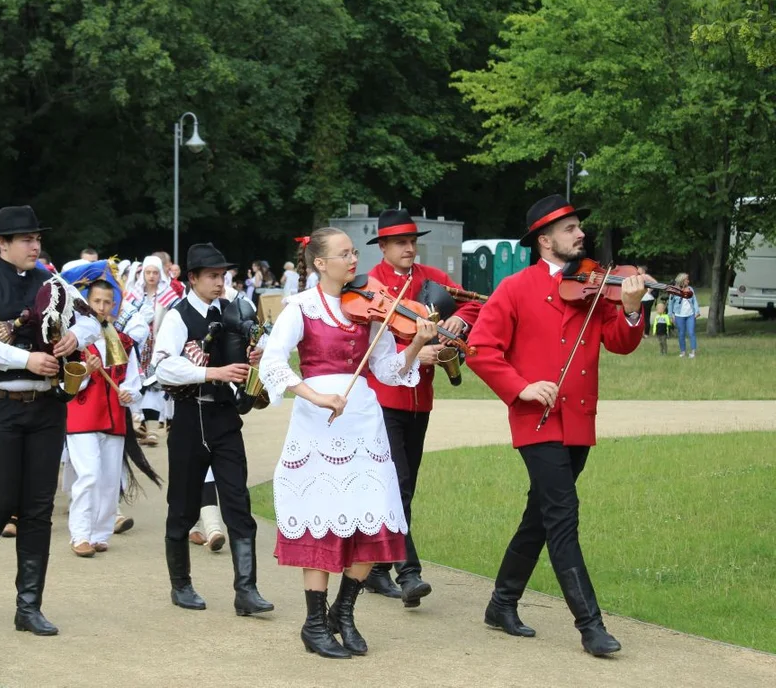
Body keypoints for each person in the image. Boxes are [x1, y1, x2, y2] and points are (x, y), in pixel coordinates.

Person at [466, 195, 646, 657]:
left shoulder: (596, 286)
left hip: (579, 421)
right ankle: (591, 626)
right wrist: (521, 387)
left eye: (578, 227)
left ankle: (501, 602)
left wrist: (629, 308)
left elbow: (620, 343)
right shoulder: (514, 288)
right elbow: (482, 350)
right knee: (563, 516)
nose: (579, 234)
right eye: (569, 229)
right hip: (537, 420)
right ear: (544, 241)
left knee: (540, 517)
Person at [259, 227, 433, 658]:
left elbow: (390, 370)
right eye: (344, 254)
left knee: (374, 517)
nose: (353, 260)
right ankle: (314, 624)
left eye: (354, 252)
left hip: (363, 422)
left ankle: (344, 612)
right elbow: (273, 362)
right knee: (322, 517)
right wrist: (315, 396)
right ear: (320, 263)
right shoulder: (299, 307)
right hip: (318, 424)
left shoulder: (372, 309)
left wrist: (417, 346)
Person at [0, 205, 101, 636]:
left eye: (37, 238)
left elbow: (91, 321)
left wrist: (77, 335)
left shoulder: (51, 283)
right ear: (2, 244)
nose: (35, 245)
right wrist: (24, 360)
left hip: (44, 408)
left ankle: (28, 605)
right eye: (26, 239)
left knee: (38, 509)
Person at [361, 208, 482, 606]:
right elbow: (372, 349)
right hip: (384, 398)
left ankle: (377, 568)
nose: (409, 248)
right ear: (382, 246)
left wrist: (460, 323)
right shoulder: (371, 286)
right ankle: (408, 572)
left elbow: (471, 304)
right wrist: (415, 352)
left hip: (421, 398)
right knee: (397, 484)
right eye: (400, 242)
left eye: (412, 241)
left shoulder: (431, 278)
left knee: (405, 486)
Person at [153, 243, 273, 615]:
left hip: (223, 418)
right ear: (193, 278)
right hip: (189, 418)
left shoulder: (234, 311)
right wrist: (212, 372)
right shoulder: (177, 317)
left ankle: (246, 590)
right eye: (212, 276)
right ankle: (181, 584)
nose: (220, 283)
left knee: (238, 503)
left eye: (223, 276)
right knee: (183, 507)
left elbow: (252, 353)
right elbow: (162, 367)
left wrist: (255, 355)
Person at [65, 280, 141, 557]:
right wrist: (86, 370)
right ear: (87, 302)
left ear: (114, 306)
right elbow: (65, 385)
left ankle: (99, 533)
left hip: (114, 419)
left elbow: (133, 380)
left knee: (110, 479)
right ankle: (80, 535)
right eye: (96, 301)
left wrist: (130, 393)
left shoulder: (122, 341)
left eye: (107, 302)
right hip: (82, 417)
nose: (101, 307)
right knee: (89, 474)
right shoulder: (73, 340)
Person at [125, 255, 180, 445]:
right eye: (148, 272)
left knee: (155, 385)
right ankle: (140, 426)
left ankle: (153, 429)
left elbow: (176, 318)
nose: (151, 276)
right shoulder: (134, 295)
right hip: (138, 347)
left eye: (155, 272)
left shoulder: (168, 295)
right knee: (138, 383)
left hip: (159, 346)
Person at [668, 273, 700, 358]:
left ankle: (693, 352)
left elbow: (694, 301)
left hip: (690, 315)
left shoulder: (690, 289)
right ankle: (683, 352)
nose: (688, 281)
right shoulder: (674, 290)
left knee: (691, 333)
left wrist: (697, 311)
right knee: (681, 333)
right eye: (687, 279)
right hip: (679, 315)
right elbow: (670, 304)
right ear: (682, 281)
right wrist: (670, 315)